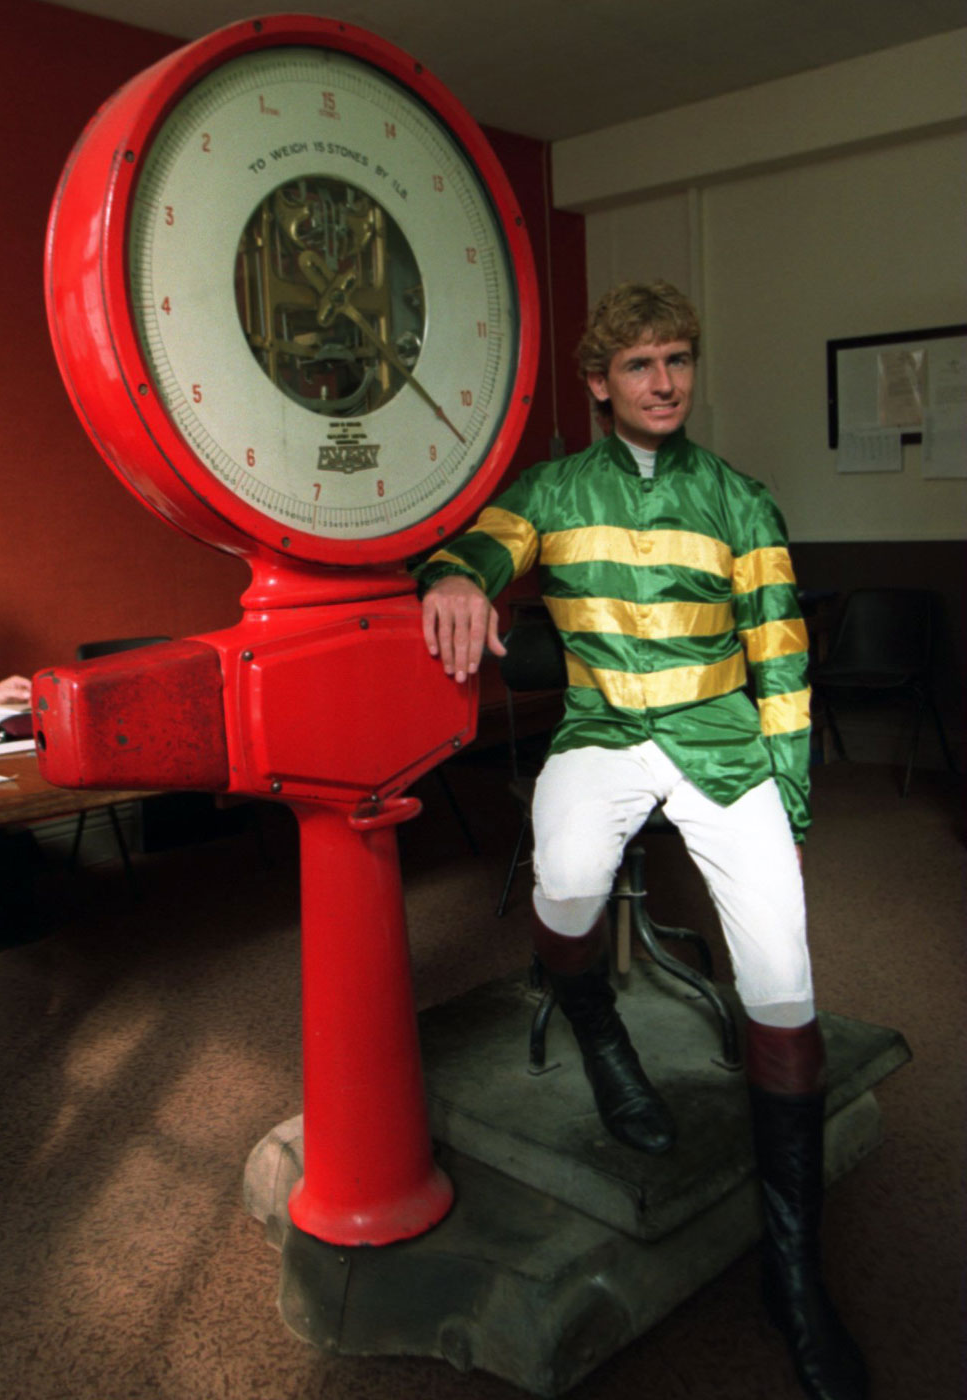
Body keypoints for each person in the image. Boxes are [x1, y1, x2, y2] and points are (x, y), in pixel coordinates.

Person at [415, 282, 866, 1400]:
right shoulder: (556, 487)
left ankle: (793, 1271)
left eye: (677, 361)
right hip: (602, 734)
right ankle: (596, 1025)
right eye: (640, 366)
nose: (664, 382)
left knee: (783, 978)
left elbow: (783, 660)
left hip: (726, 751)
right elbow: (480, 543)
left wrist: (789, 809)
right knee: (563, 890)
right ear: (599, 384)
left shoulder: (739, 498)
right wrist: (455, 578)